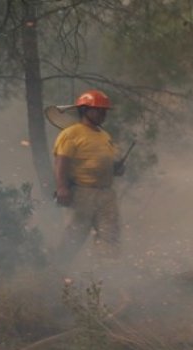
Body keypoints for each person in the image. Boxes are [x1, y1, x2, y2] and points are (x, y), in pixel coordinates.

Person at [52, 89, 124, 263]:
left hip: (106, 194)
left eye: (104, 111)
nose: (102, 114)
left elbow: (106, 161)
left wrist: (117, 169)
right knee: (73, 237)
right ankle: (54, 274)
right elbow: (62, 161)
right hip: (81, 193)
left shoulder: (104, 135)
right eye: (98, 110)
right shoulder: (71, 133)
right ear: (84, 110)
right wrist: (62, 187)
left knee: (110, 236)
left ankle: (107, 277)